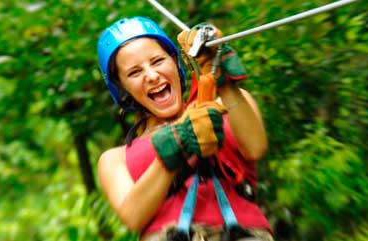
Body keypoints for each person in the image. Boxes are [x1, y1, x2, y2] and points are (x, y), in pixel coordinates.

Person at [97, 16, 274, 241]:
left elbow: (255, 147)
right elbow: (133, 216)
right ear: (121, 88)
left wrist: (222, 80)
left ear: (175, 61)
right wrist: (178, 142)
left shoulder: (226, 106)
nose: (151, 76)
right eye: (135, 72)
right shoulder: (115, 159)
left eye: (158, 61)